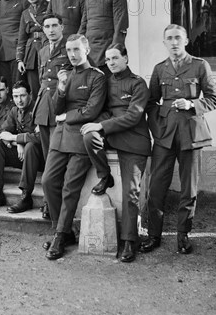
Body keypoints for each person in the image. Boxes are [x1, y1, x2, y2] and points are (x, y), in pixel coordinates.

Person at [141, 24, 216, 255]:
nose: (174, 42)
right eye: (169, 39)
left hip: (191, 136)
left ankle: (183, 235)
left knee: (189, 188)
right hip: (165, 137)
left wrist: (192, 104)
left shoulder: (199, 65)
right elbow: (151, 102)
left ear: (185, 41)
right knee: (156, 187)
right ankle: (153, 235)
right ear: (164, 43)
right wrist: (157, 129)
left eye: (178, 38)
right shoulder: (159, 69)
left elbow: (213, 99)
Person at [81, 43, 151, 262]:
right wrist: (95, 125)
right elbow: (102, 110)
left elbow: (133, 117)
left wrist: (101, 126)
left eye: (115, 58)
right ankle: (105, 176)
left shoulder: (138, 83)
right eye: (108, 59)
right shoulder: (106, 81)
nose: (111, 63)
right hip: (111, 136)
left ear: (126, 58)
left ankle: (130, 241)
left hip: (133, 141)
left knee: (130, 193)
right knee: (88, 136)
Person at [41, 34, 107, 260]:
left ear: (86, 50)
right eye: (69, 50)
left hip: (80, 135)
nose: (72, 54)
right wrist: (60, 88)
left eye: (77, 50)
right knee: (48, 181)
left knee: (70, 187)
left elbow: (92, 110)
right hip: (60, 137)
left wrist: (65, 117)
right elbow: (55, 106)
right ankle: (65, 230)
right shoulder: (66, 75)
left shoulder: (97, 77)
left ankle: (59, 235)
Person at [0, 80, 43, 212]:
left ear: (30, 95)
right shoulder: (14, 111)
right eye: (15, 96)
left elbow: (39, 138)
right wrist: (18, 143)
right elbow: (1, 133)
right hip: (22, 157)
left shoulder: (38, 109)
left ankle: (26, 197)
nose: (19, 100)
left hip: (39, 158)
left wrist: (17, 138)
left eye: (22, 96)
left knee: (31, 146)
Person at [32, 14, 72, 219]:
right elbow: (42, 82)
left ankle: (60, 205)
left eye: (55, 25)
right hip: (44, 109)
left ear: (62, 27)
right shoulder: (42, 51)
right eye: (47, 26)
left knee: (59, 158)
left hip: (61, 108)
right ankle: (49, 201)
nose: (51, 30)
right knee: (48, 157)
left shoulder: (71, 48)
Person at [79, 0, 129, 72]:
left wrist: (114, 53)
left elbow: (120, 25)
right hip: (90, 52)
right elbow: (83, 25)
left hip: (106, 51)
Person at [0, 0, 29, 88]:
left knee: (18, 85)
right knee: (4, 87)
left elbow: (27, 29)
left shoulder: (23, 2)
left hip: (17, 52)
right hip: (2, 53)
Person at [16, 0, 49, 99]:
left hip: (45, 49)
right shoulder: (25, 13)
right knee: (34, 90)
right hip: (31, 55)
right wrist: (20, 59)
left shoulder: (50, 6)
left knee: (47, 87)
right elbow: (22, 38)